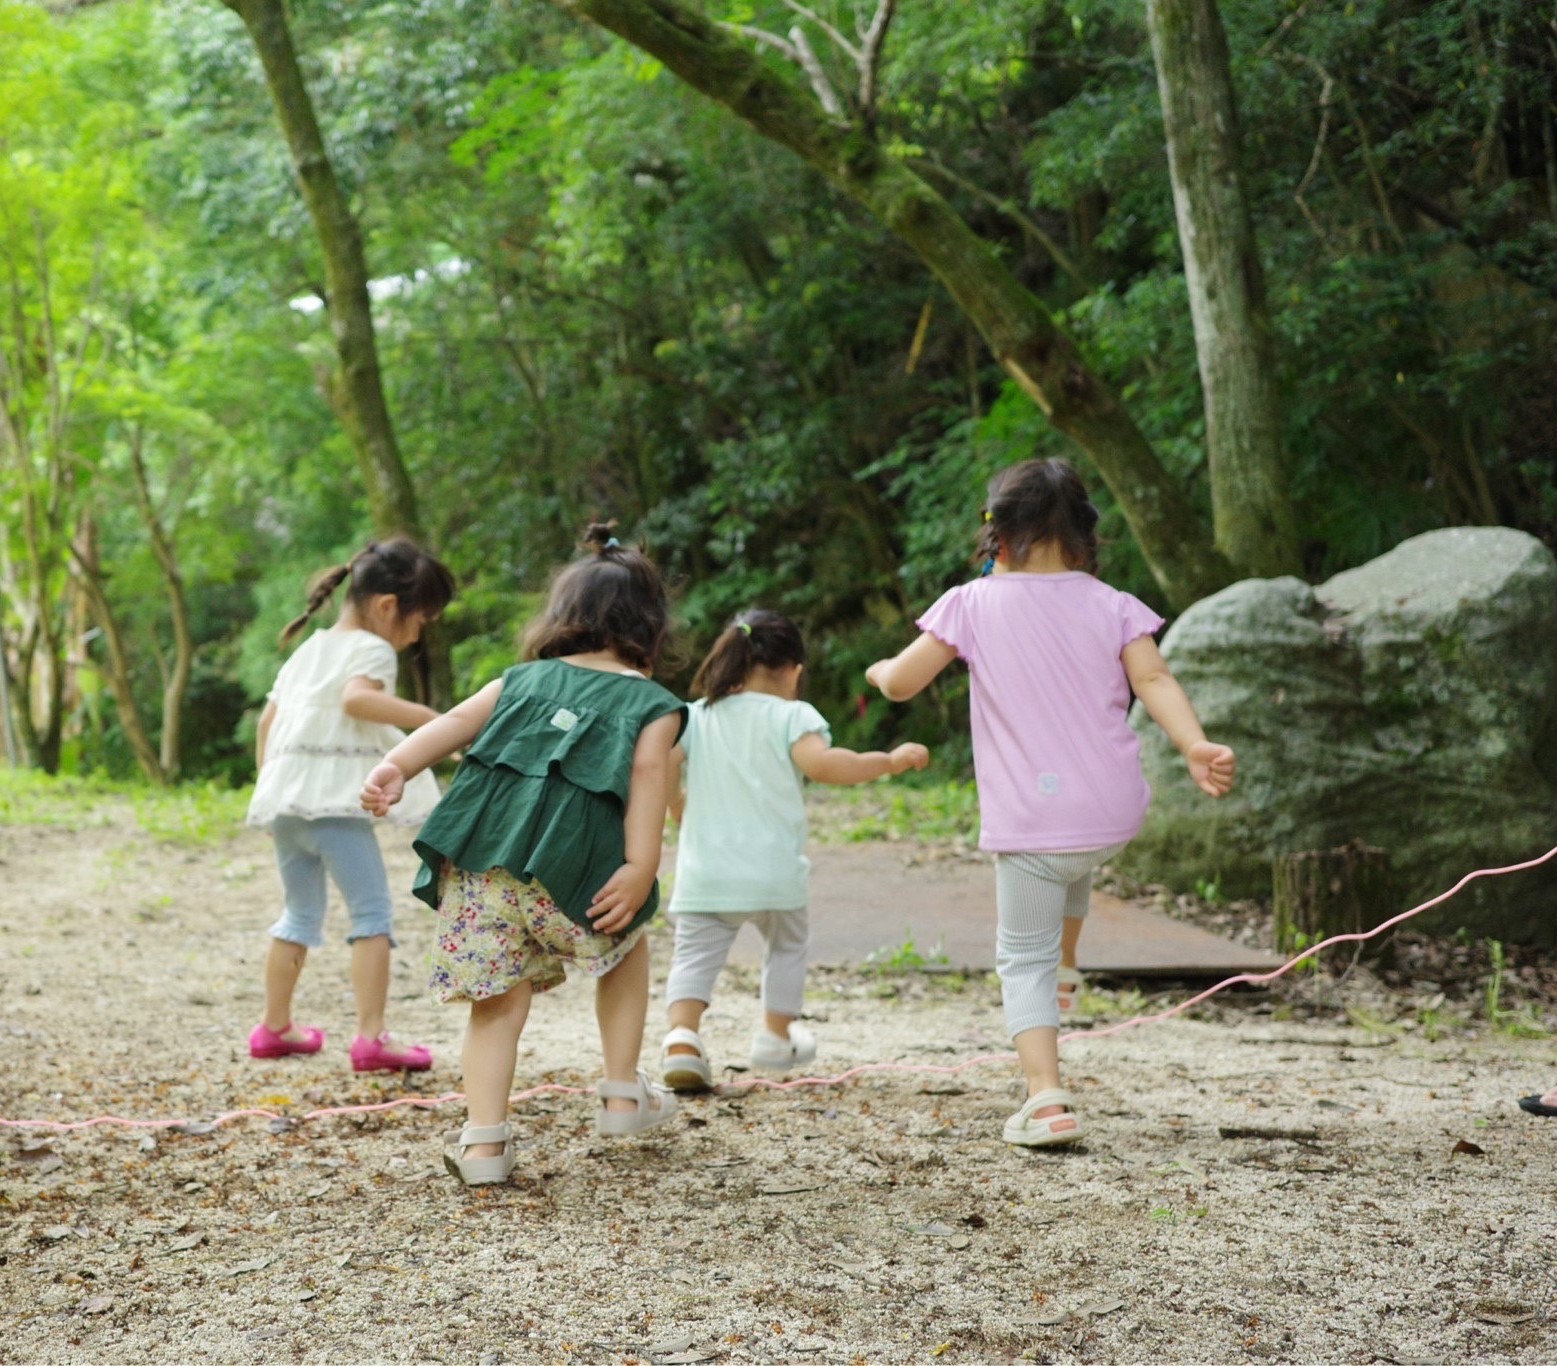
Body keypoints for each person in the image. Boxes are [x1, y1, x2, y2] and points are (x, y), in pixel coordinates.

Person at [864, 458, 1236, 1148]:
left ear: (995, 536)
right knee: (1074, 860)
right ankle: (1068, 961)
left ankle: (1044, 1096)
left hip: (1034, 825)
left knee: (1021, 957)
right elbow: (1153, 678)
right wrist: (1191, 744)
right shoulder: (1114, 605)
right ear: (1086, 538)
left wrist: (878, 669)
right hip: (1111, 812)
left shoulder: (969, 604)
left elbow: (900, 685)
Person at [360, 525, 686, 1185]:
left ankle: (483, 1146)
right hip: (576, 877)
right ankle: (622, 1091)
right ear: (647, 627)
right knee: (627, 947)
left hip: (481, 872)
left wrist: (396, 764)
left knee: (497, 1003)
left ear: (562, 618)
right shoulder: (653, 703)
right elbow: (651, 777)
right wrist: (640, 867)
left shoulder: (520, 680)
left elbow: (451, 724)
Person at [659, 610, 930, 1092]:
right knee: (785, 947)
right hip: (773, 873)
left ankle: (682, 1040)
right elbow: (825, 765)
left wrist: (678, 803)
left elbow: (659, 764)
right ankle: (774, 1035)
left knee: (694, 956)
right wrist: (888, 762)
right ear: (792, 670)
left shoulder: (696, 715)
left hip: (707, 874)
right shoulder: (791, 715)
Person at [246, 537, 455, 1072]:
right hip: (336, 807)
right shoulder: (371, 649)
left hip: (289, 804)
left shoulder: (309, 649)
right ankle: (370, 1038)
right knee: (372, 915)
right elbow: (356, 700)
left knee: (298, 912)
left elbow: (267, 724)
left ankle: (274, 1027)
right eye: (419, 622)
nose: (415, 637)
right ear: (388, 606)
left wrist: (273, 785)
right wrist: (433, 719)